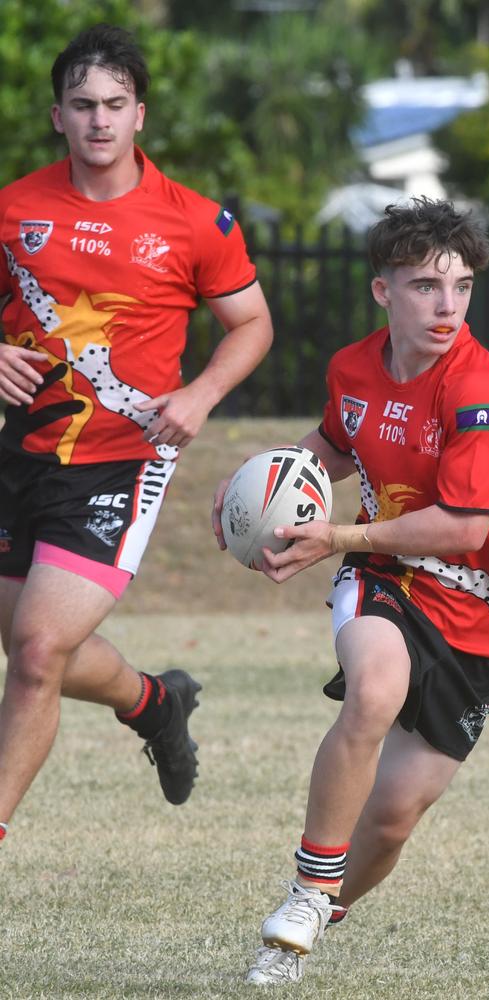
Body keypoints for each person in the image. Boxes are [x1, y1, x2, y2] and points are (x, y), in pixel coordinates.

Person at [213, 197, 489, 985]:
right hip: (384, 577)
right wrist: (265, 492)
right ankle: (310, 886)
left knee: (389, 824)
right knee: (375, 688)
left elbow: (460, 528)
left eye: (460, 287)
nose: (446, 305)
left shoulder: (479, 390)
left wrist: (335, 537)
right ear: (384, 291)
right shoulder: (353, 368)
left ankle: (315, 911)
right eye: (425, 285)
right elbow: (333, 445)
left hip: (475, 614)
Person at [0, 23, 273, 846]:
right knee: (29, 646)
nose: (99, 121)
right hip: (19, 454)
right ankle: (156, 704)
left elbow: (253, 325)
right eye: (82, 105)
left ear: (141, 115)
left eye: (115, 104)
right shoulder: (14, 208)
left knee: (39, 651)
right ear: (57, 116)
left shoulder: (195, 222)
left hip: (121, 462)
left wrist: (200, 393)